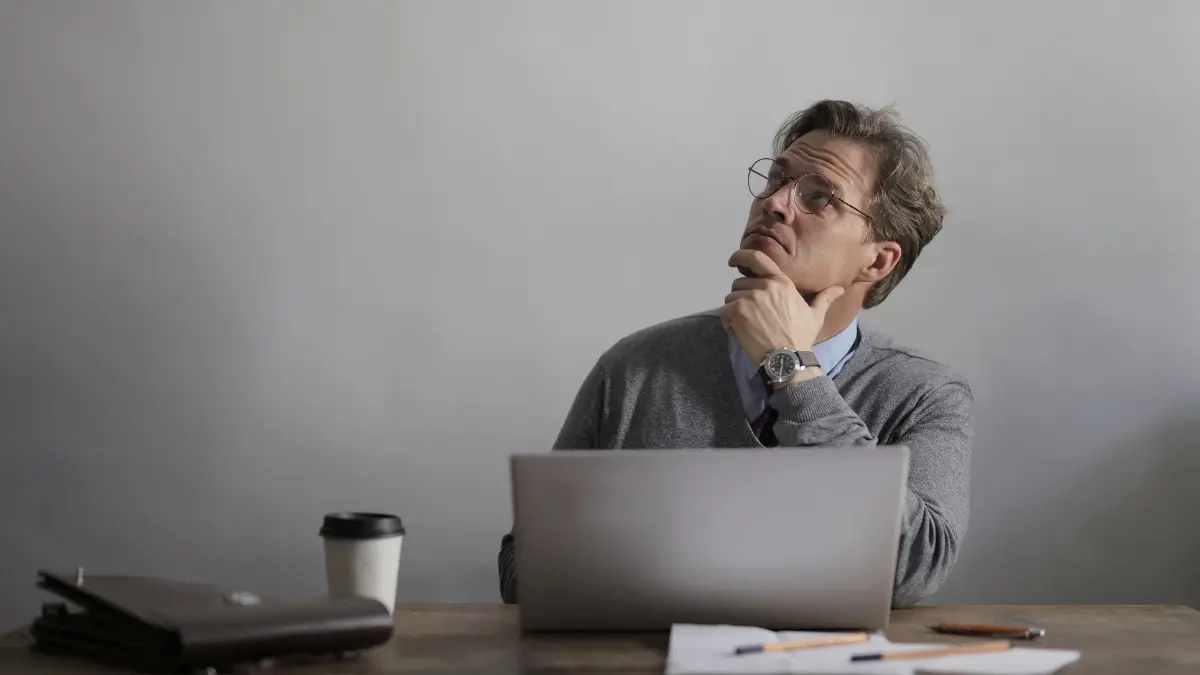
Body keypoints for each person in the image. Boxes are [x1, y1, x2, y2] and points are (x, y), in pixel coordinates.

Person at [498, 99, 972, 608]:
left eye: (820, 198)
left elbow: (913, 572)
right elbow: (524, 571)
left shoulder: (925, 395)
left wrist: (792, 368)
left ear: (878, 259)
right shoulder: (636, 368)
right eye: (776, 180)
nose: (776, 203)